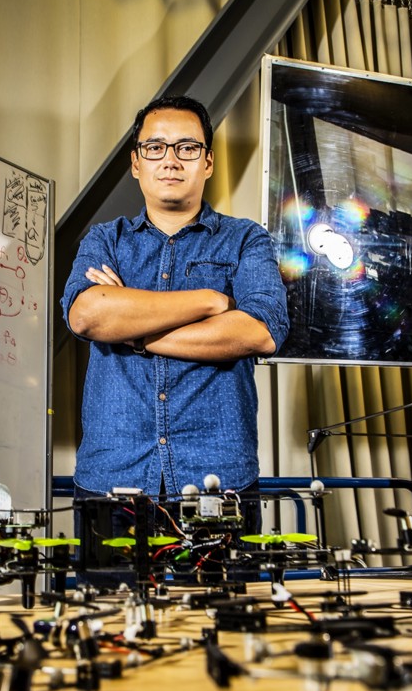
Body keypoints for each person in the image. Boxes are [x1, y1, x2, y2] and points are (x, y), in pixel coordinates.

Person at [60, 95, 289, 534]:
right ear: (135, 163)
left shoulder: (245, 240)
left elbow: (259, 331)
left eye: (186, 148)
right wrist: (208, 301)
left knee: (221, 605)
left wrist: (131, 330)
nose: (170, 160)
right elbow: (87, 316)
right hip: (113, 478)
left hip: (219, 481)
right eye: (155, 147)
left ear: (207, 162)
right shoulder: (105, 240)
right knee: (110, 606)